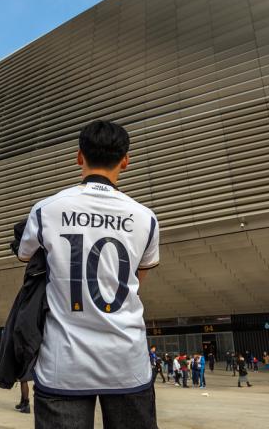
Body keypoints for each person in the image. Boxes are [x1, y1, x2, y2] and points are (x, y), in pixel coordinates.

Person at [15, 121, 161, 429]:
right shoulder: (146, 218)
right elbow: (139, 277)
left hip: (63, 363)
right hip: (127, 361)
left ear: (79, 157)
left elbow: (25, 254)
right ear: (125, 160)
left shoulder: (46, 209)